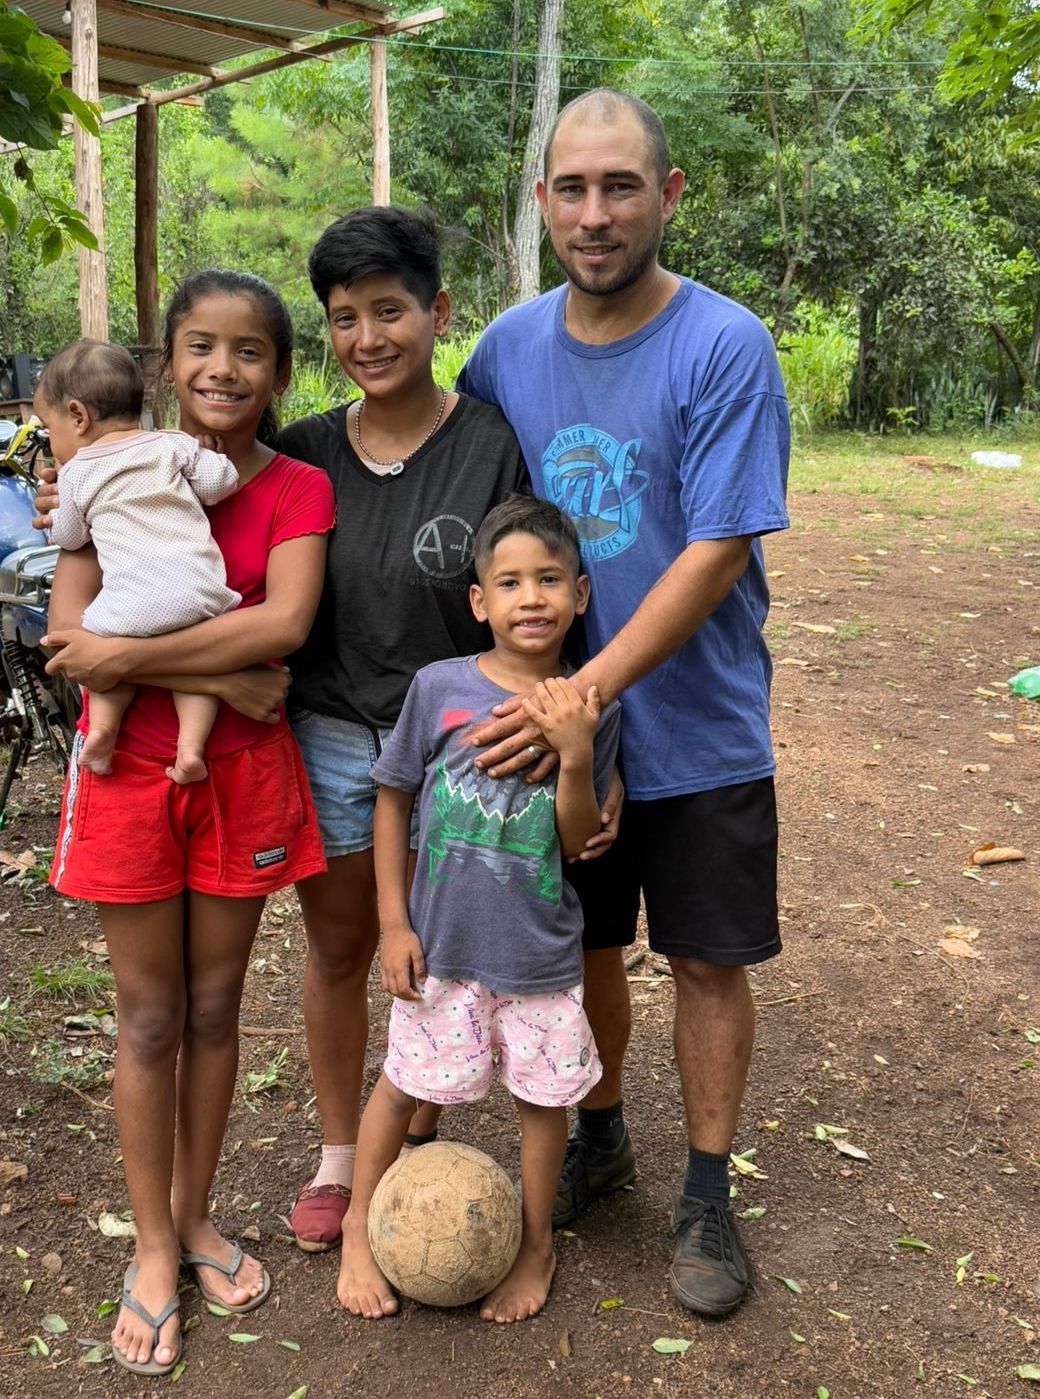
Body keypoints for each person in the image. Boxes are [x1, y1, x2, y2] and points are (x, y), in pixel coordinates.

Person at [456, 89, 790, 1318]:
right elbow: (473, 517)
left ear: (669, 194)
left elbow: (714, 549)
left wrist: (585, 689)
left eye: (620, 187)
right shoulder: (504, 350)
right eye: (573, 190)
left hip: (696, 724)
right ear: (542, 202)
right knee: (582, 946)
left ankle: (708, 1187)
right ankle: (602, 1135)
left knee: (705, 955)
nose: (595, 215)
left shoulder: (723, 344)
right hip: (561, 745)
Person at [36, 270, 335, 1374]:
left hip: (243, 775)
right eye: (200, 346)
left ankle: (198, 1214)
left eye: (248, 351)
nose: (222, 368)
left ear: (277, 374)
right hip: (130, 777)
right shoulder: (105, 470)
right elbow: (73, 643)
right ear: (166, 363)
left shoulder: (299, 487)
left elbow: (289, 622)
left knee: (216, 1007)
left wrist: (143, 657)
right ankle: (153, 1246)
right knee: (149, 1016)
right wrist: (230, 667)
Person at [275, 207, 550, 1253]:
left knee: (442, 943)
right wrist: (76, 499)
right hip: (339, 739)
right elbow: (190, 515)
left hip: (463, 752)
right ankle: (345, 1154)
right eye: (345, 319)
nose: (368, 339)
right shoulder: (301, 454)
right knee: (346, 945)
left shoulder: (486, 445)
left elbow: (528, 589)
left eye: (390, 311)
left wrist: (566, 726)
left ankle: (420, 1116)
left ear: (437, 312)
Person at [336, 497, 621, 1324]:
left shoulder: (594, 707)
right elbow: (391, 798)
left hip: (538, 954)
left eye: (548, 580)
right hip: (444, 949)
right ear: (478, 602)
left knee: (542, 1102)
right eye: (510, 582)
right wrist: (394, 922)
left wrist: (573, 753)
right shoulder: (439, 688)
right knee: (401, 1085)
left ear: (581, 593)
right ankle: (359, 1223)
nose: (530, 597)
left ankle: (534, 1246)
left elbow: (576, 841)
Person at [37, 338, 243, 785]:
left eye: (48, 429)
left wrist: (53, 519)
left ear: (78, 416)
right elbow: (220, 484)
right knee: (204, 662)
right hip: (199, 592)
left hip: (130, 604)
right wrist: (211, 455)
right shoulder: (171, 444)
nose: (51, 443)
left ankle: (104, 730)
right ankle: (191, 749)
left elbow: (71, 536)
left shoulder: (77, 471)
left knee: (105, 648)